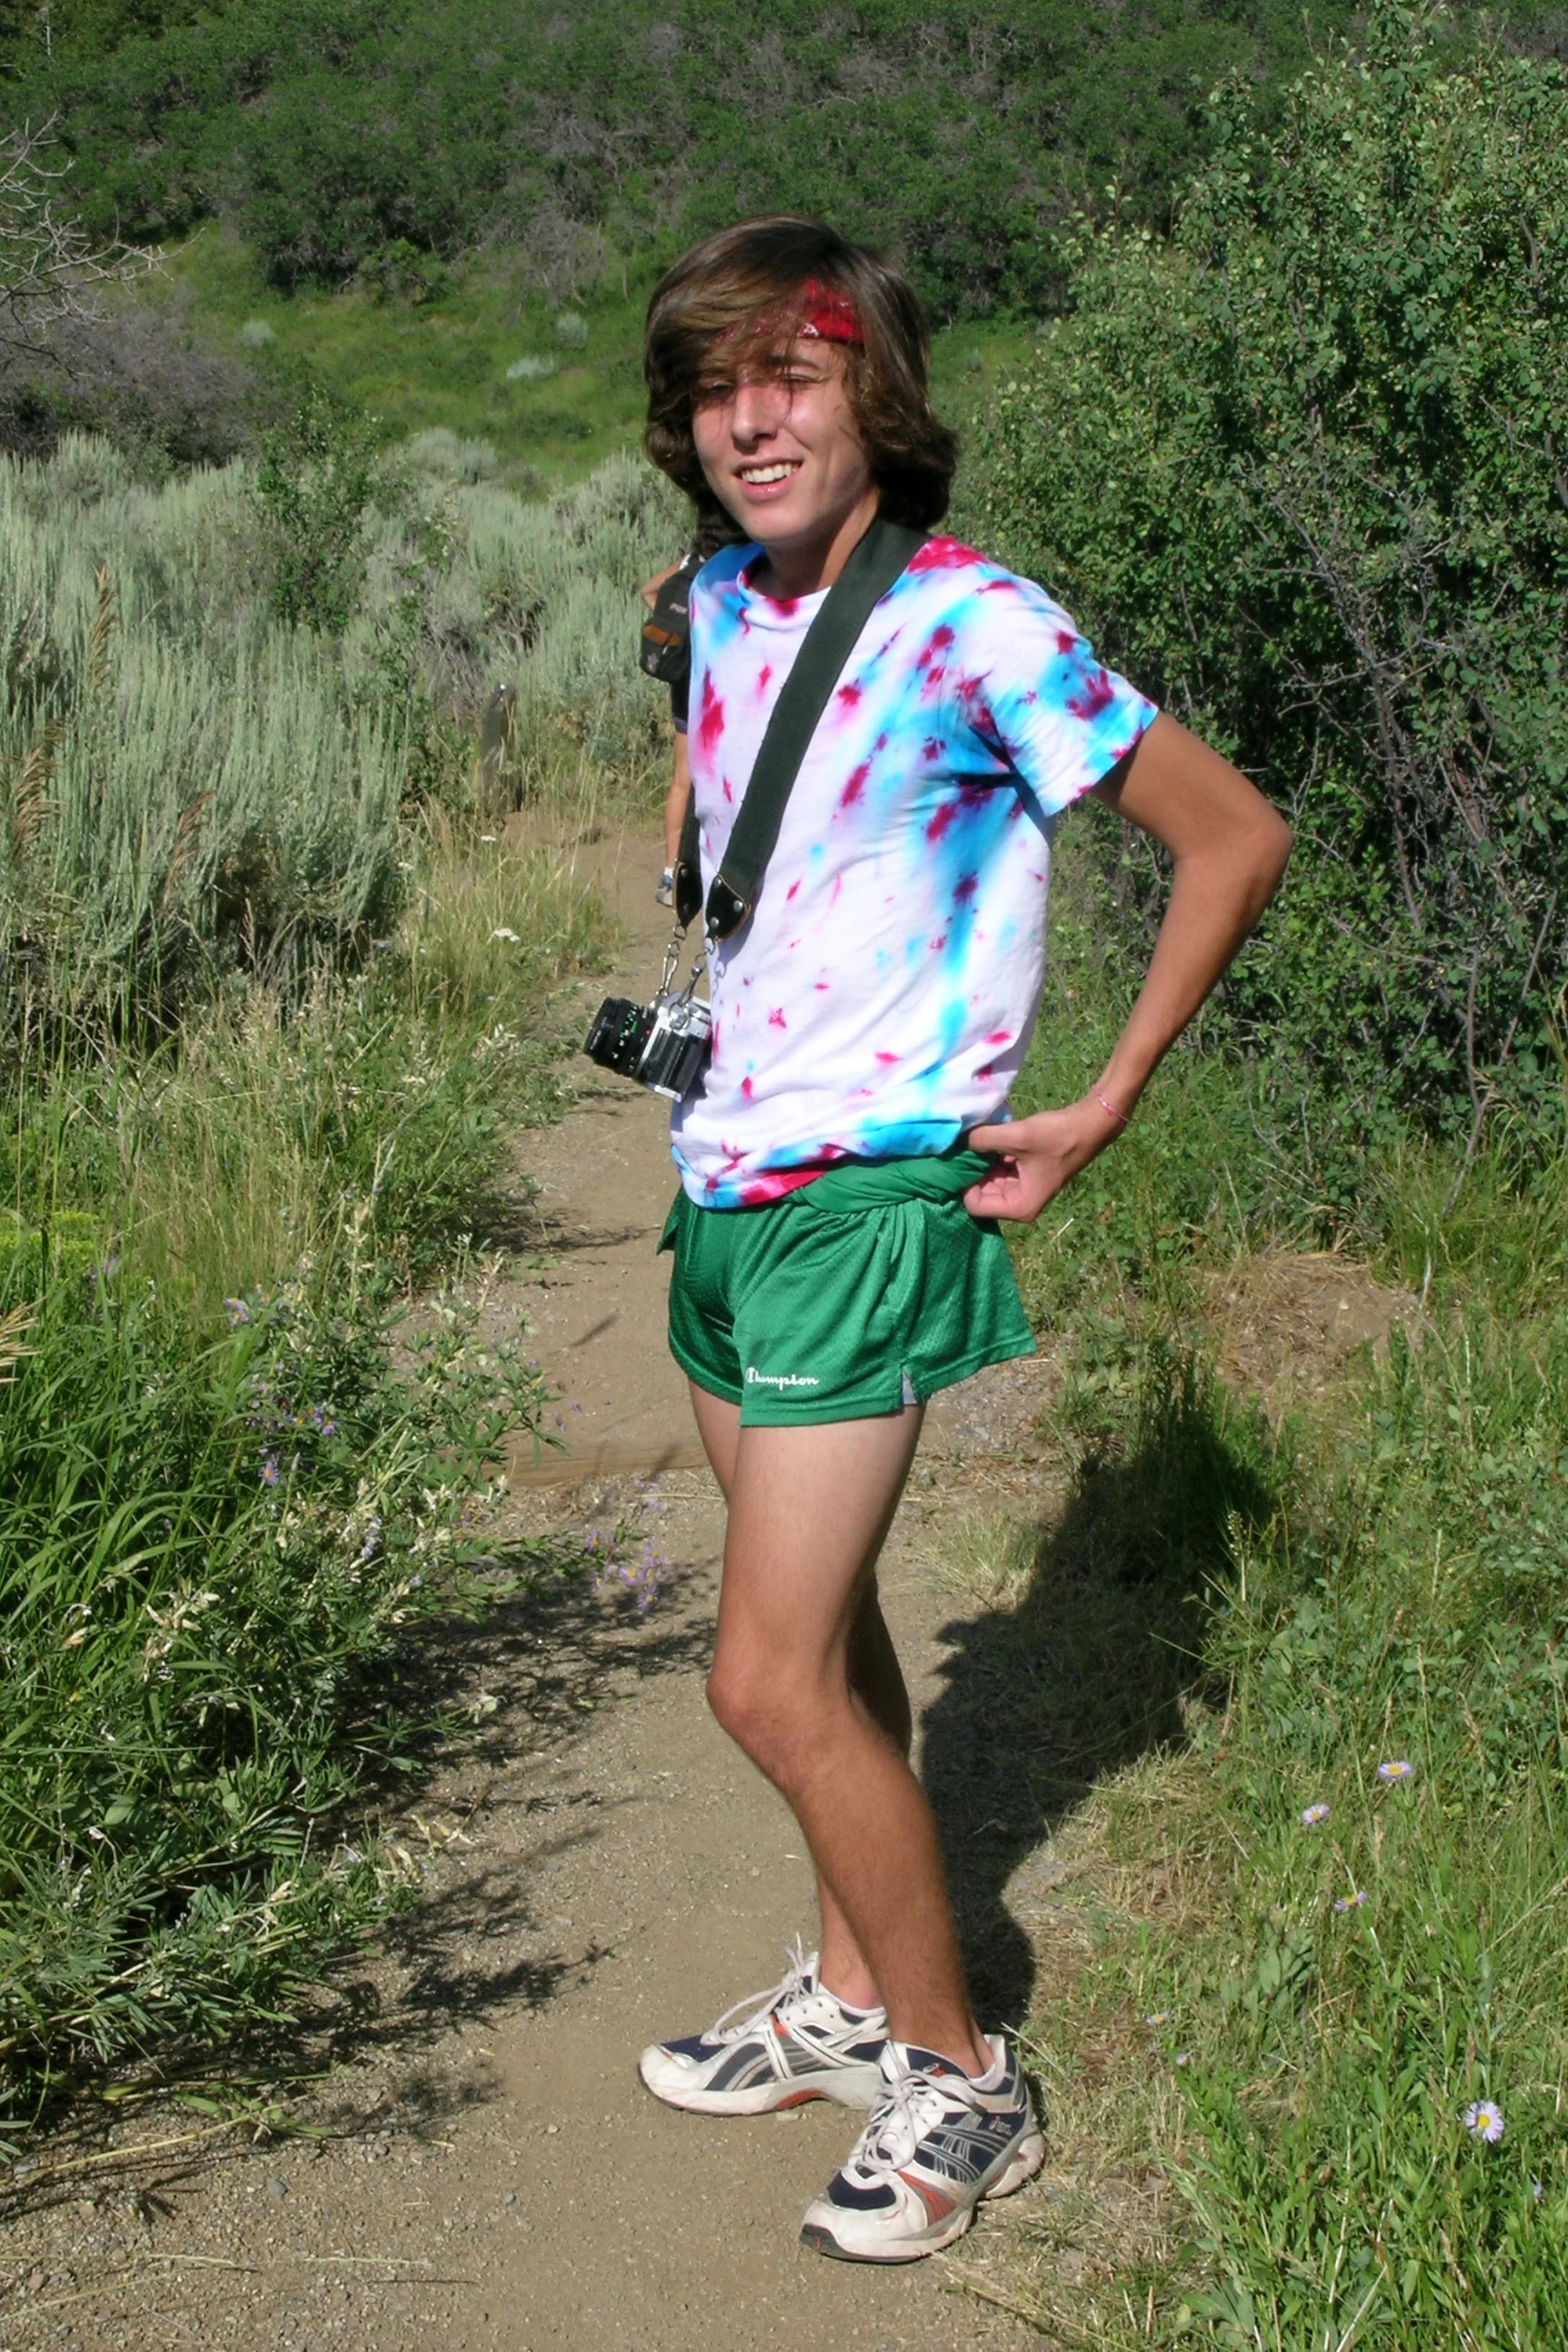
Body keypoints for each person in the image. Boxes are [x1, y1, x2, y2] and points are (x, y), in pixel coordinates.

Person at [633, 216, 1291, 2265]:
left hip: (868, 1197)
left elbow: (1230, 832)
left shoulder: (981, 625)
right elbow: (713, 807)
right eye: (717, 384)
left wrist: (1096, 1104)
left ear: (875, 395)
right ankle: (844, 2001)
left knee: (759, 1681)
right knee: (819, 1647)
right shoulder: (714, 608)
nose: (753, 415)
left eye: (796, 372)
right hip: (722, 1175)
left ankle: (965, 2081)